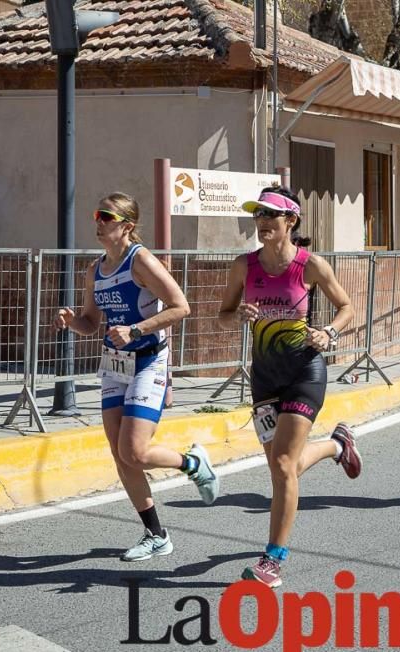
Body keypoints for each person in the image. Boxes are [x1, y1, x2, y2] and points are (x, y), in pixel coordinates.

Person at [54, 191, 218, 562]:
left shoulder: (140, 260)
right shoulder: (94, 270)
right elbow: (92, 322)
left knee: (136, 450)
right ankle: (156, 534)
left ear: (126, 226)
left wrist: (137, 329)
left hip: (148, 360)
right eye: (97, 215)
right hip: (115, 364)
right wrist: (71, 322)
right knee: (121, 456)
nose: (97, 222)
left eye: (105, 216)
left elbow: (182, 307)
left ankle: (193, 464)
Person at [217, 185, 361, 589]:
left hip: (303, 372)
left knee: (282, 466)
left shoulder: (309, 265)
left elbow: (347, 306)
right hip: (264, 376)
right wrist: (238, 314)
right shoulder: (244, 266)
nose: (262, 222)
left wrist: (329, 332)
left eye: (270, 215)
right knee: (286, 467)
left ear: (290, 221)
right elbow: (223, 315)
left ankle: (273, 561)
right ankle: (337, 445)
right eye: (258, 215)